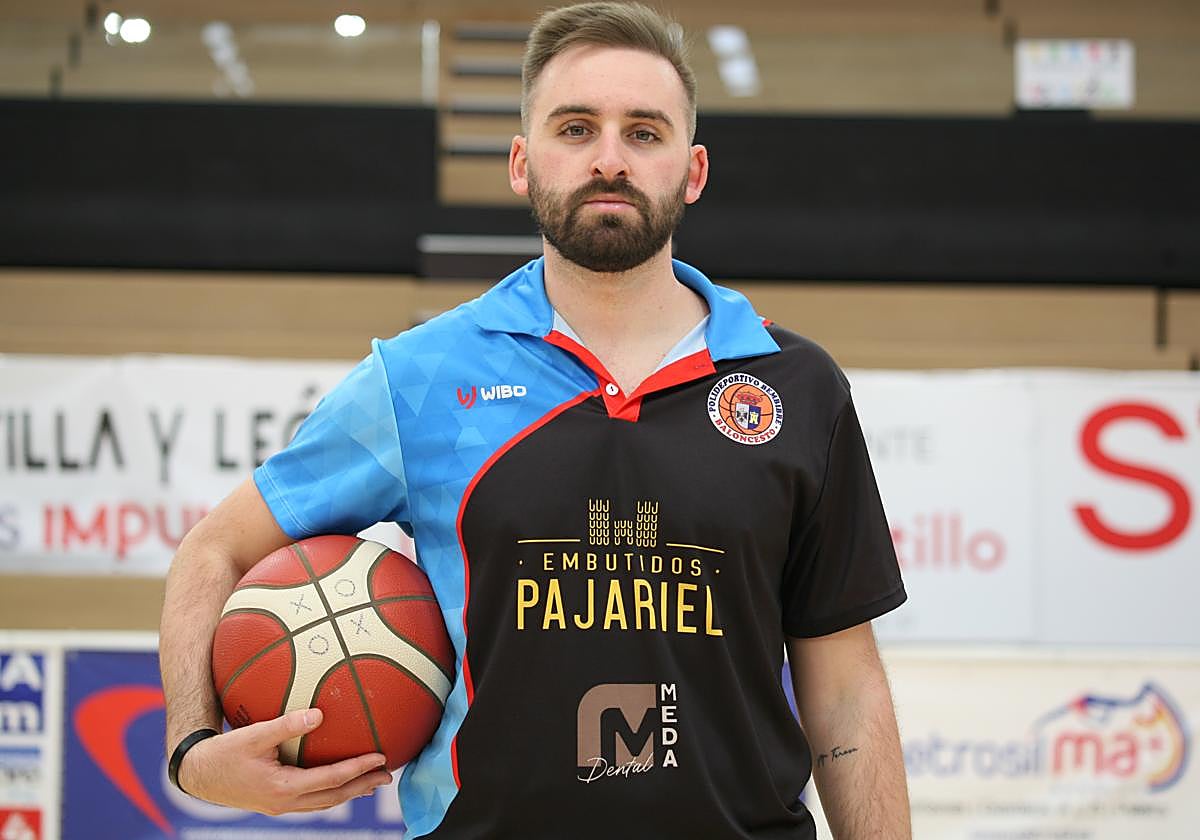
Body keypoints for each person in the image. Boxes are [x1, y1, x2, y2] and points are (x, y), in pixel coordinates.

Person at [159, 3, 911, 837]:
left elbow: (844, 686)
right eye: (576, 128)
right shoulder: (420, 377)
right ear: (523, 162)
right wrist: (193, 747)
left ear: (693, 171)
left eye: (645, 133)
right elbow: (214, 549)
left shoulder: (796, 388)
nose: (610, 160)